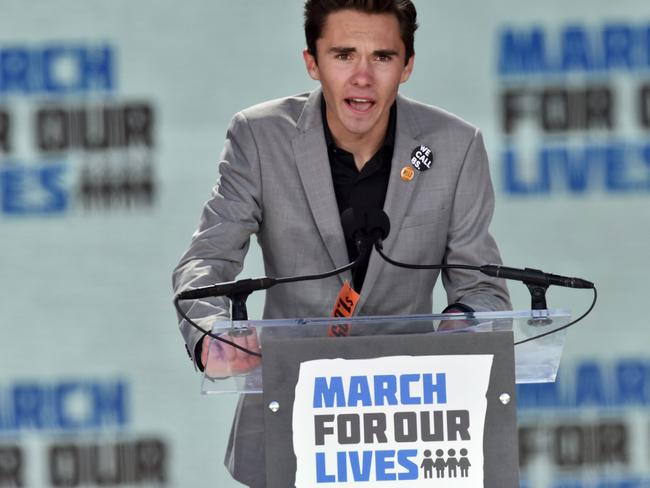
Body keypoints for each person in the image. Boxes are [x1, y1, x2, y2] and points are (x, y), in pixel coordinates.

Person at [173, 1, 510, 486]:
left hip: (412, 430)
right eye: (344, 55)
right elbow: (207, 259)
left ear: (407, 65)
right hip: (286, 419)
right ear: (312, 62)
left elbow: (482, 286)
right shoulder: (260, 137)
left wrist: (465, 321)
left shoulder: (453, 147)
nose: (362, 77)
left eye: (382, 57)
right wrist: (211, 333)